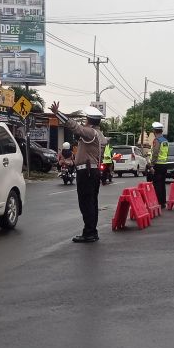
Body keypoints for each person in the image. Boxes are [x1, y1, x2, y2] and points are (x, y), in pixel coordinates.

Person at [50, 102, 106, 243]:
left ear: (89, 120)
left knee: (86, 203)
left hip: (87, 172)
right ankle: (92, 231)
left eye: (86, 119)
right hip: (92, 172)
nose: (84, 122)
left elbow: (75, 127)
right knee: (92, 202)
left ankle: (89, 233)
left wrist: (58, 113)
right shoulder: (99, 134)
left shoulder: (90, 132)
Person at [148, 122, 169, 206]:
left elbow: (155, 153)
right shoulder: (165, 141)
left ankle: (158, 202)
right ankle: (163, 202)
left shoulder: (157, 140)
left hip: (158, 164)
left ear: (154, 131)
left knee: (157, 184)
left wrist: (152, 165)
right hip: (164, 164)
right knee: (162, 184)